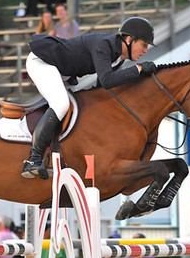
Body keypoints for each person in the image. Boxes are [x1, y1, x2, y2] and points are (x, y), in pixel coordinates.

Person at [21, 16, 155, 178]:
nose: (146, 50)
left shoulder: (118, 57)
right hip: (42, 62)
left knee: (81, 104)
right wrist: (138, 70)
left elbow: (102, 87)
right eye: (144, 45)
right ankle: (32, 160)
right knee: (61, 104)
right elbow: (107, 81)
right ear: (129, 39)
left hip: (62, 71)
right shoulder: (104, 45)